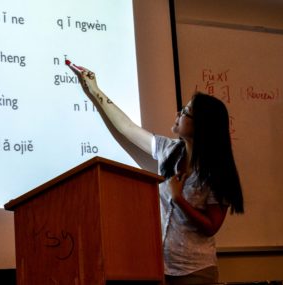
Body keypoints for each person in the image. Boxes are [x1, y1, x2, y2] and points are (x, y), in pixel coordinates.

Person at [68, 63, 244, 285]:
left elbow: (211, 227)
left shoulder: (215, 171)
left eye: (186, 112)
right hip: (160, 268)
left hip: (195, 273)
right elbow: (127, 128)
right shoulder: (169, 150)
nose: (179, 114)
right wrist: (94, 90)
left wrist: (179, 199)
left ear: (201, 127)